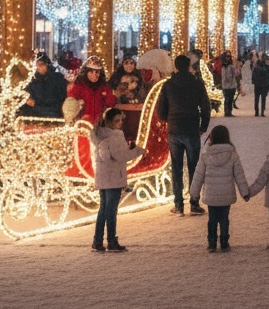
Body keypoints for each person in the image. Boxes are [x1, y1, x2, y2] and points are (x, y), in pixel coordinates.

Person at [156, 53, 211, 215]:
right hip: (191, 127)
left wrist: (169, 120)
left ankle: (178, 204)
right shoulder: (196, 83)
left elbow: (161, 109)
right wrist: (204, 125)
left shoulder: (168, 84)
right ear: (188, 66)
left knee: (177, 167)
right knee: (194, 166)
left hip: (174, 129)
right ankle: (194, 202)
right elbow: (205, 106)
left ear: (175, 66)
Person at [90, 107, 145, 252]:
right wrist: (137, 150)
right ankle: (112, 240)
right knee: (111, 211)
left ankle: (97, 240)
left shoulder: (99, 135)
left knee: (103, 209)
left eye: (121, 120)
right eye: (117, 121)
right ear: (108, 121)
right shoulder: (115, 136)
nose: (120, 123)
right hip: (114, 176)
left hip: (102, 176)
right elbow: (122, 156)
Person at [189, 124, 250, 252]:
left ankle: (211, 243)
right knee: (224, 219)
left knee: (212, 219)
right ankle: (224, 242)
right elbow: (239, 175)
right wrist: (244, 192)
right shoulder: (232, 154)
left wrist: (194, 193)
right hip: (226, 194)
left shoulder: (206, 155)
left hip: (211, 195)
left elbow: (198, 176)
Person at [67, 56, 117, 125]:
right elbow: (71, 106)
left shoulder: (105, 87)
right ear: (86, 72)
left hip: (100, 125)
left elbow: (111, 104)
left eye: (97, 72)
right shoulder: (78, 86)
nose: (94, 75)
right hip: (81, 125)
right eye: (91, 71)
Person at [19, 52, 67, 119]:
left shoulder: (58, 79)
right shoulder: (31, 80)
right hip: (34, 116)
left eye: (42, 64)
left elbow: (59, 104)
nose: (39, 67)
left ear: (47, 64)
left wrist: (36, 105)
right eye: (36, 65)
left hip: (54, 116)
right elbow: (26, 101)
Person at [220, 52, 239, 117]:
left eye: (228, 57)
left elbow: (236, 74)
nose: (227, 58)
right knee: (228, 99)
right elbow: (235, 74)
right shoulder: (226, 66)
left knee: (229, 99)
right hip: (228, 85)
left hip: (229, 85)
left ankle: (228, 111)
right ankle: (227, 111)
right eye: (226, 57)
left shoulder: (228, 66)